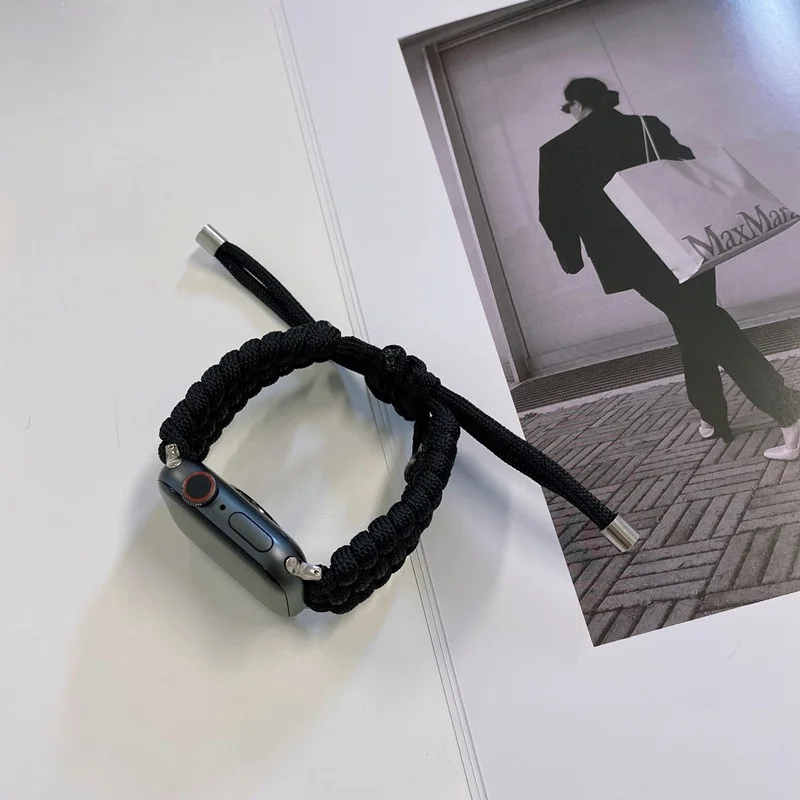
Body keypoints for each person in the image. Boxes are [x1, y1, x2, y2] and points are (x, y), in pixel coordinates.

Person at [538, 77, 800, 461]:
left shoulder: (557, 150)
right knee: (695, 320)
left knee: (703, 323)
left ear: (576, 105)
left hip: (631, 257)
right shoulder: (646, 126)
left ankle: (786, 407)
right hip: (686, 240)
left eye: (568, 109)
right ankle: (711, 412)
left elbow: (553, 213)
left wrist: (571, 258)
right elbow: (686, 168)